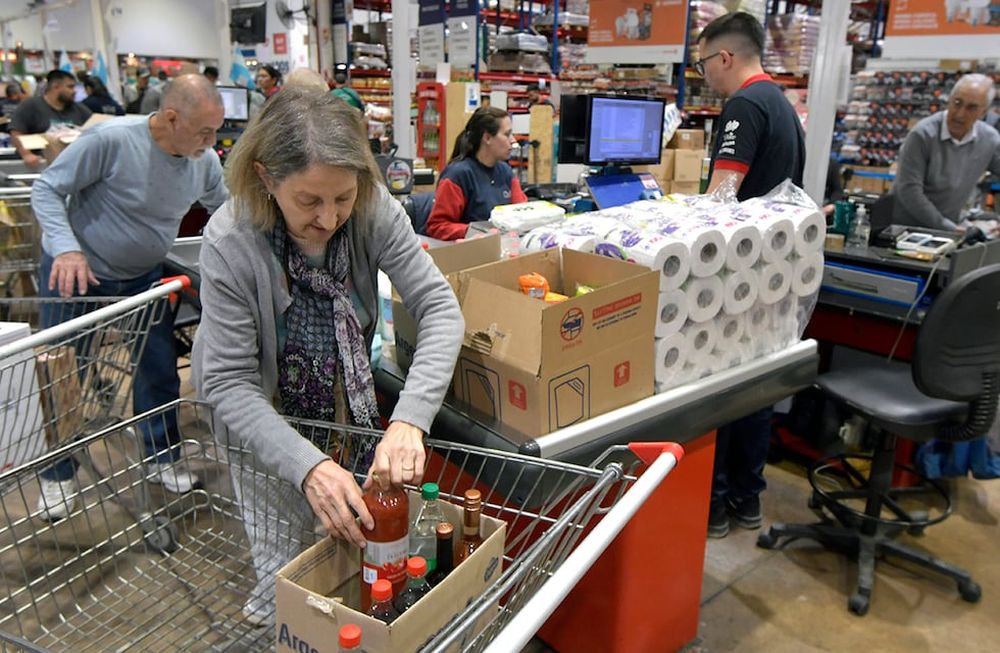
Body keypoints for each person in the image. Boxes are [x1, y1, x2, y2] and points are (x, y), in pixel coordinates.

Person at [191, 88, 463, 626]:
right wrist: (308, 467)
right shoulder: (231, 240)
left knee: (357, 543)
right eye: (309, 201)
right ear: (267, 178)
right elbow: (227, 380)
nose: (330, 217)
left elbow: (439, 309)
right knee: (283, 563)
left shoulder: (372, 209)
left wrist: (410, 419)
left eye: (342, 197)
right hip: (261, 419)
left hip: (344, 407)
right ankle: (280, 615)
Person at [31, 75, 229, 520]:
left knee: (157, 371)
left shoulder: (202, 160)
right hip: (80, 276)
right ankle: (58, 476)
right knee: (64, 378)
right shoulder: (111, 140)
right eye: (203, 131)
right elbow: (46, 189)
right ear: (171, 117)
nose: (211, 141)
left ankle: (162, 456)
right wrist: (65, 246)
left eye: (215, 130)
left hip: (142, 279)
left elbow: (226, 207)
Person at [695, 11, 805, 538]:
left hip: (733, 277)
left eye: (703, 66)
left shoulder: (743, 104)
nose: (705, 78)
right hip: (771, 275)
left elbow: (720, 199)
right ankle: (747, 499)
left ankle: (712, 509)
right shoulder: (781, 102)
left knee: (716, 394)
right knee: (755, 393)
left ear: (725, 57)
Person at [891, 74, 1000, 231]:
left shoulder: (989, 139)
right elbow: (909, 190)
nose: (960, 113)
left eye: (972, 108)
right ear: (949, 100)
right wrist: (947, 227)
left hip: (949, 228)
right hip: (905, 230)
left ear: (984, 113)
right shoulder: (922, 135)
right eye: (957, 103)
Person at [425, 106, 527, 241]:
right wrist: (474, 232)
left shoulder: (505, 172)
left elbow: (524, 212)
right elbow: (437, 226)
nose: (513, 140)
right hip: (469, 255)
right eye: (507, 134)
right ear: (487, 138)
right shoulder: (458, 175)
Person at [9, 69, 92, 170]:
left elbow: (95, 128)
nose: (74, 91)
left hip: (74, 165)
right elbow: (16, 132)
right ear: (56, 87)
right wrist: (27, 154)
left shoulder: (79, 109)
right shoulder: (30, 106)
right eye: (70, 87)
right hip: (41, 167)